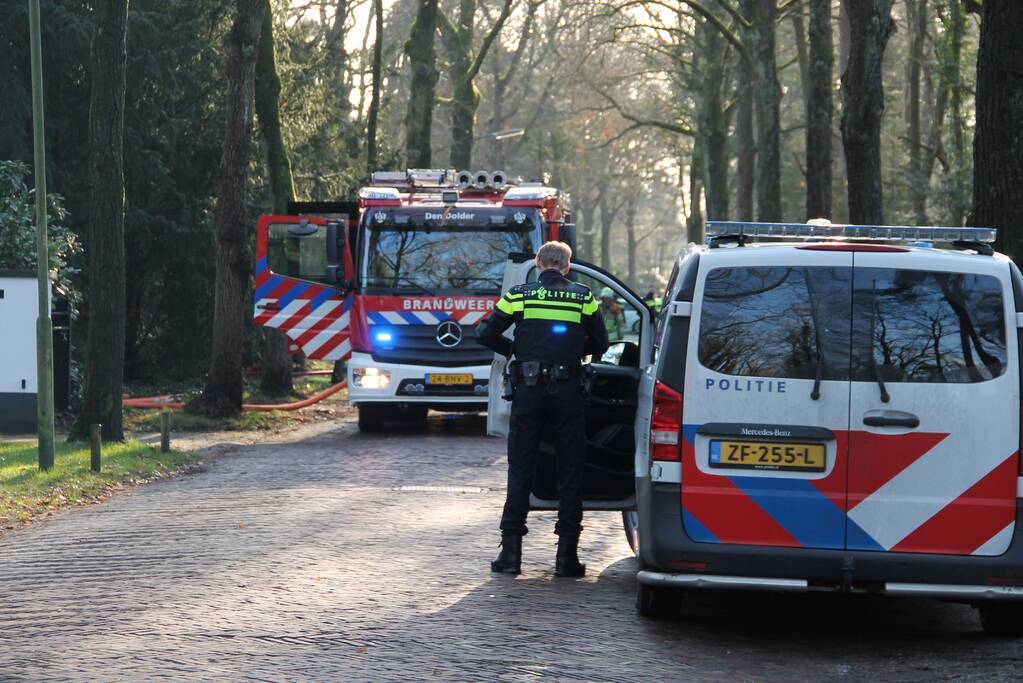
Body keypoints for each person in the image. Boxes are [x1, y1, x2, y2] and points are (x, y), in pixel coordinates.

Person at [476, 241, 609, 577]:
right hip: (568, 391)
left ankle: (511, 555)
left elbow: (485, 333)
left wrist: (514, 351)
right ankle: (566, 558)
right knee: (570, 469)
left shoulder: (520, 295)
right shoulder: (583, 297)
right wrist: (572, 350)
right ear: (567, 266)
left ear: (538, 264)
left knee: (521, 467)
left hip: (529, 391)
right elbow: (602, 343)